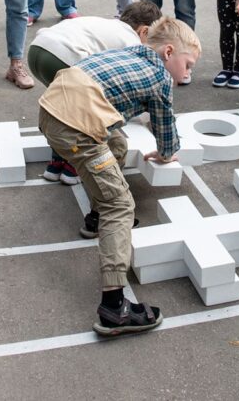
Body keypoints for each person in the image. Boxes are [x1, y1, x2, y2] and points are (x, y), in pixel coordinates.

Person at [37, 17, 200, 337]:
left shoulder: (127, 52)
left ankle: (96, 217)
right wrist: (167, 153)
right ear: (169, 52)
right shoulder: (160, 78)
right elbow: (165, 127)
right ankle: (115, 307)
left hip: (51, 109)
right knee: (121, 205)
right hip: (75, 126)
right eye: (188, 64)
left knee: (117, 142)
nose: (188, 73)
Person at [28, 0, 161, 186]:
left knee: (66, 109)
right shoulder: (132, 41)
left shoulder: (106, 24)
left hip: (38, 50)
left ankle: (56, 162)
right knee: (87, 114)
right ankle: (75, 164)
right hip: (66, 56)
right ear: (144, 31)